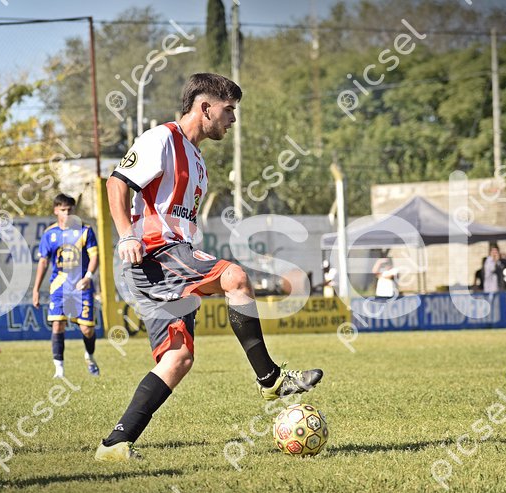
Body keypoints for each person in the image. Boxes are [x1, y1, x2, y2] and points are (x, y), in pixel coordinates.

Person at [95, 73, 323, 462]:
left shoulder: (198, 161)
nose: (232, 119)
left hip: (171, 257)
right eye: (228, 110)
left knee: (178, 359)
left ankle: (114, 444)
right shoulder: (162, 138)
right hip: (156, 253)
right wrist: (126, 236)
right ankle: (270, 379)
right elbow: (116, 184)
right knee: (236, 277)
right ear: (205, 108)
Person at [32, 193, 100, 379]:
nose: (67, 213)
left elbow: (94, 257)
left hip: (82, 286)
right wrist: (36, 289)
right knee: (58, 325)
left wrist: (88, 277)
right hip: (59, 287)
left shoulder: (85, 230)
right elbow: (43, 262)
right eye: (63, 210)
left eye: (70, 210)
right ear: (56, 211)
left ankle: (89, 356)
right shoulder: (50, 234)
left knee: (87, 329)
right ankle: (59, 371)